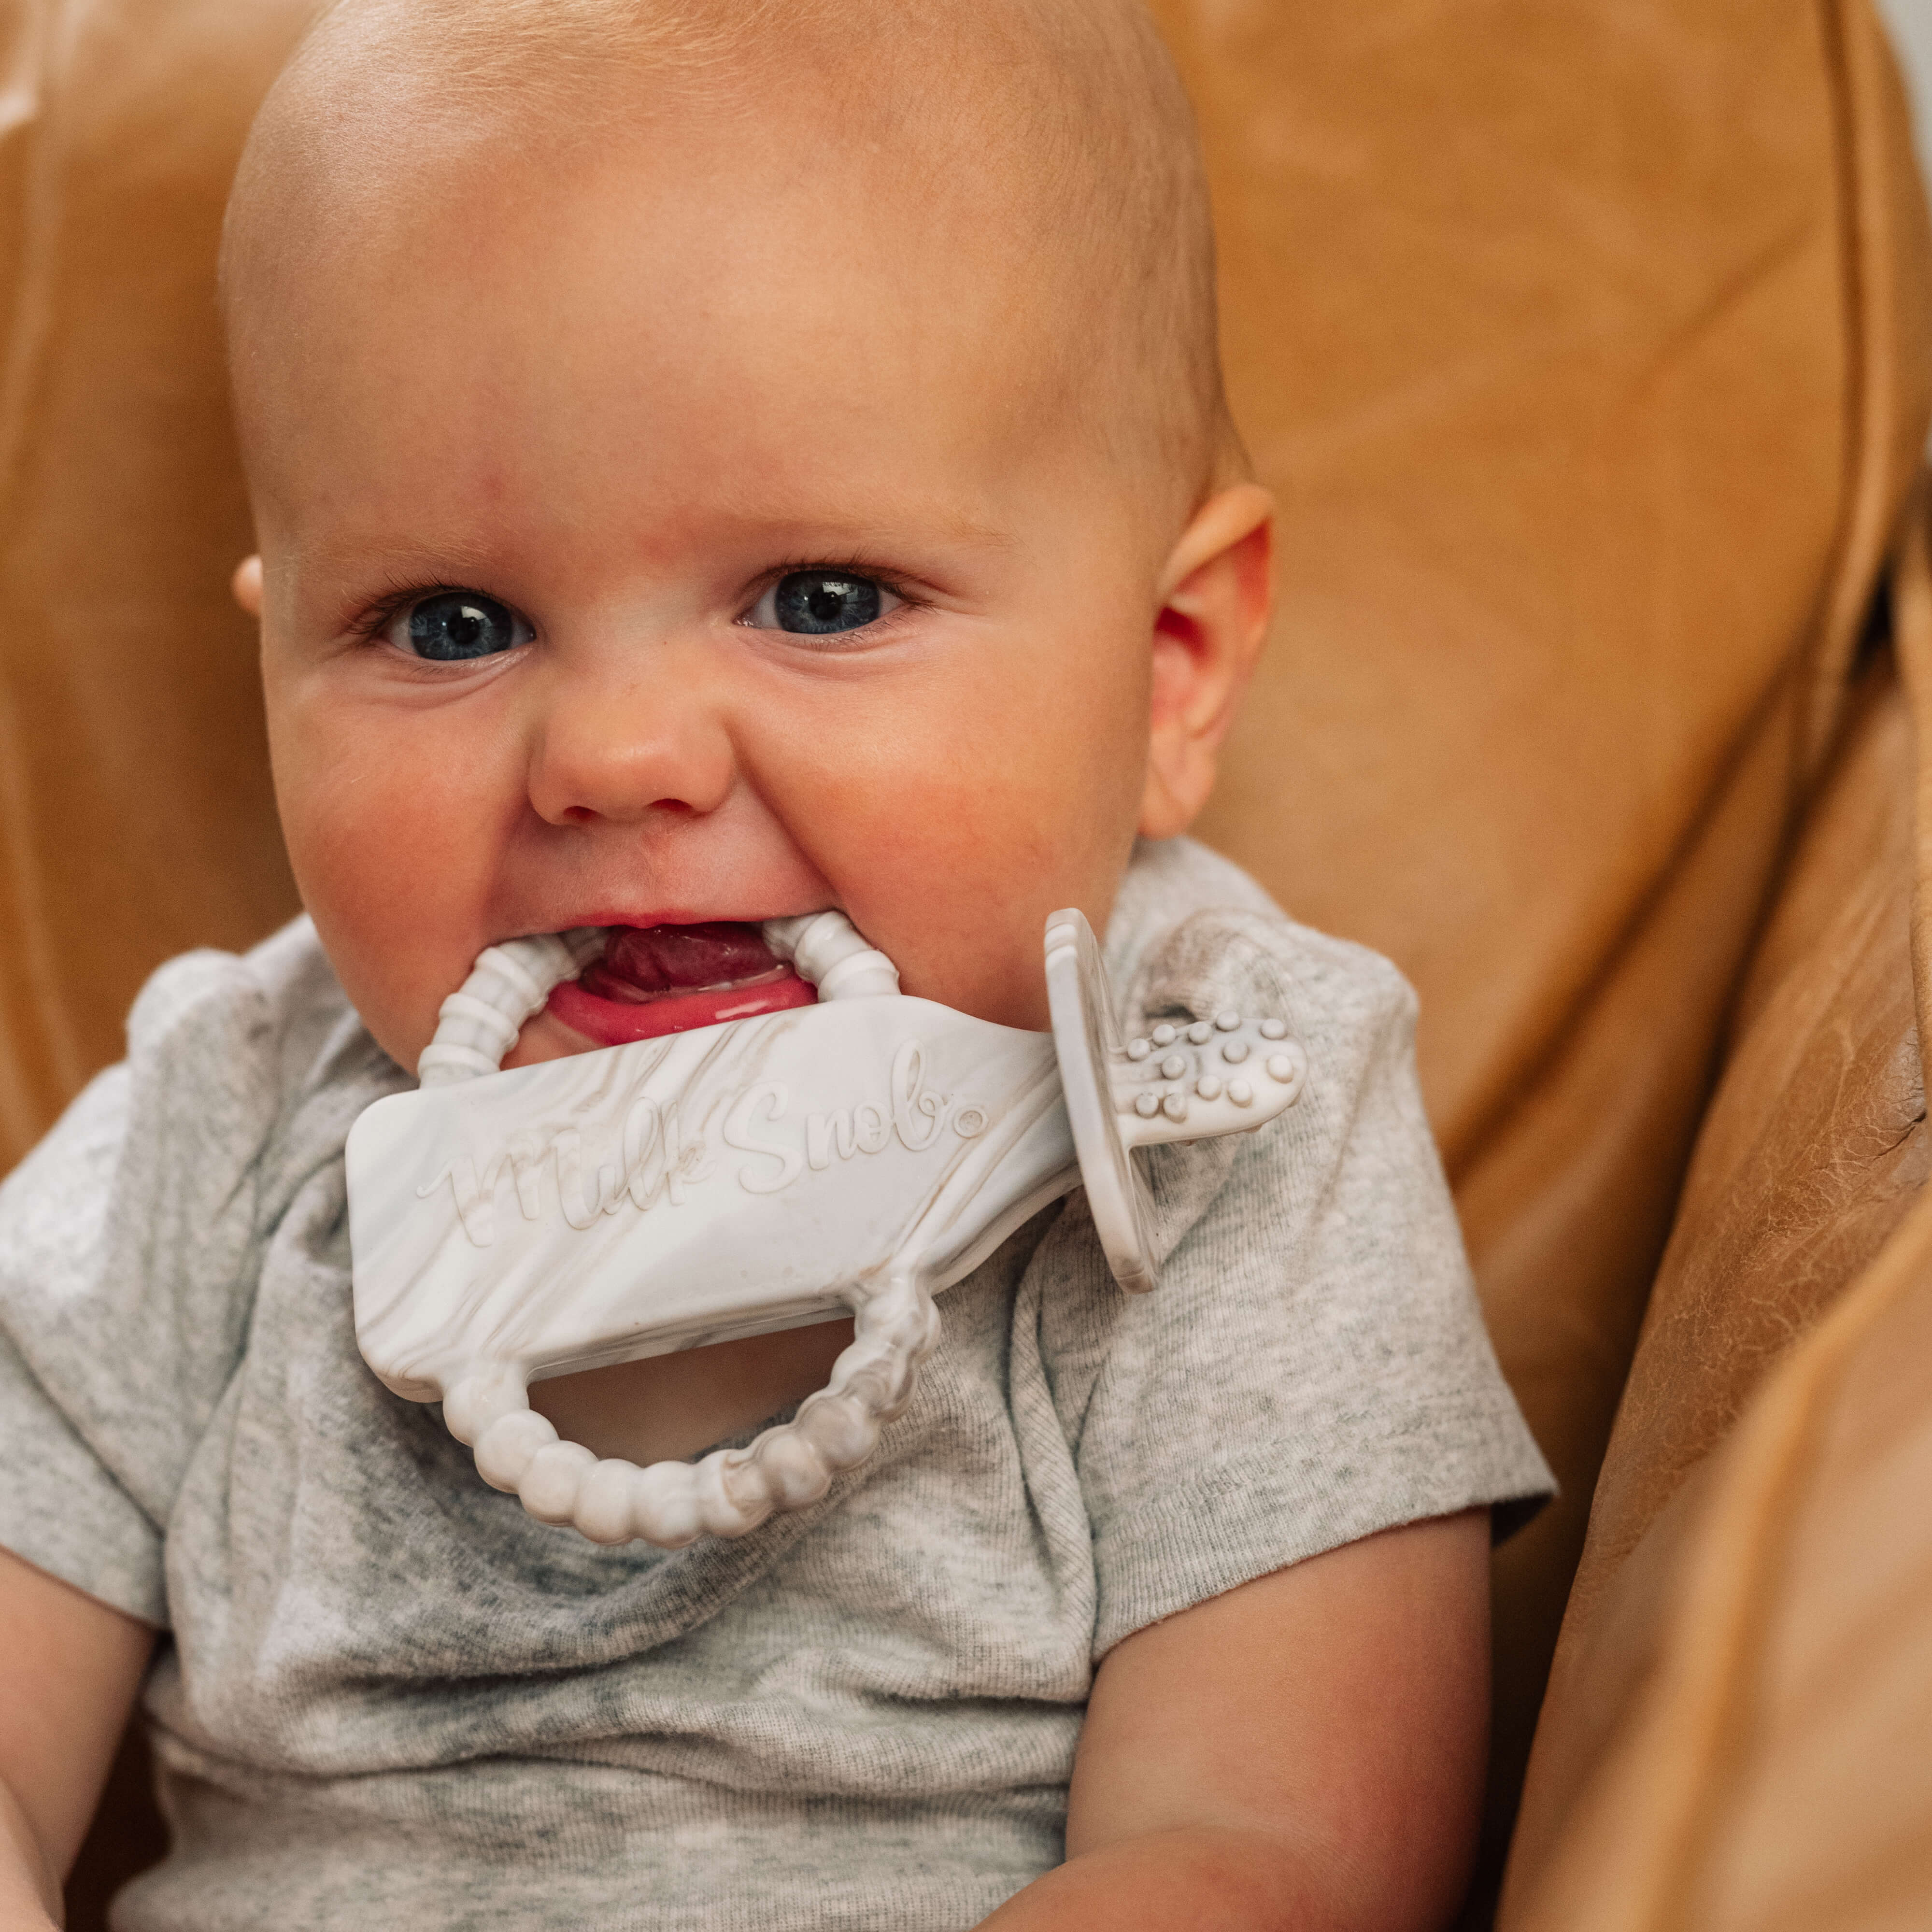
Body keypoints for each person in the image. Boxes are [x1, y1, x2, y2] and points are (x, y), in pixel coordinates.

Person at [0, 1, 1552, 1926]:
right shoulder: (214, 1131)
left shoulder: (1215, 1116)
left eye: (823, 600)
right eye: (447, 621)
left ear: (1167, 666)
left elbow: (1272, 1855)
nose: (613, 756)